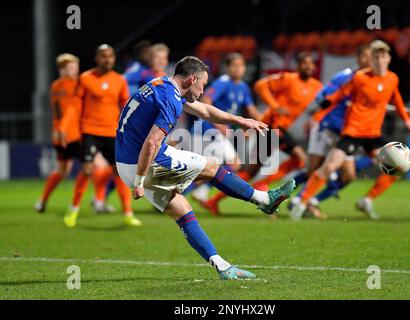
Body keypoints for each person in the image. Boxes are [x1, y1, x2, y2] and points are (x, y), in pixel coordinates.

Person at [115, 56, 296, 280]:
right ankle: (265, 200)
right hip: (143, 161)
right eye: (203, 84)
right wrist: (140, 181)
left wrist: (242, 121)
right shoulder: (171, 99)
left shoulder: (162, 84)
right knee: (211, 166)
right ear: (192, 79)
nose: (203, 89)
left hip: (125, 163)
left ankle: (223, 267)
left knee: (181, 209)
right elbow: (152, 143)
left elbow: (206, 111)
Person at [292, 40, 410, 219]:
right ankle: (301, 202)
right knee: (329, 167)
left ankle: (368, 199)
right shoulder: (360, 78)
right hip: (353, 132)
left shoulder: (392, 78)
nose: (380, 60)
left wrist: (406, 119)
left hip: (373, 134)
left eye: (383, 56)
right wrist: (323, 103)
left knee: (399, 166)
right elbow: (341, 93)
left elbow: (395, 99)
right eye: (376, 57)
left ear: (389, 59)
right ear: (371, 60)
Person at [201, 52, 322, 215]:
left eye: (310, 63)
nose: (308, 66)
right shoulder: (287, 78)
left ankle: (214, 200)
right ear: (298, 65)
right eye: (304, 63)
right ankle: (263, 185)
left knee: (250, 171)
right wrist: (275, 106)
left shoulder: (316, 86)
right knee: (300, 159)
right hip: (272, 126)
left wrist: (315, 118)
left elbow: (324, 103)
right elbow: (260, 86)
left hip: (279, 128)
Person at [64, 44, 141, 228]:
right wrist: (68, 128)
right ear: (97, 58)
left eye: (110, 56)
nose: (107, 60)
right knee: (87, 170)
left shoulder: (119, 80)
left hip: (112, 132)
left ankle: (128, 214)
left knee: (119, 173)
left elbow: (126, 106)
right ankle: (73, 210)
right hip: (90, 131)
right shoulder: (86, 78)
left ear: (114, 59)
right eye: (104, 56)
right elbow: (75, 106)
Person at [188, 53, 262, 204]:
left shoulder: (242, 86)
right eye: (234, 65)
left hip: (218, 133)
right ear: (227, 68)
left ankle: (181, 191)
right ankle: (196, 191)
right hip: (208, 130)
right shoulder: (222, 82)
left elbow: (251, 109)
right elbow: (205, 100)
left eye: (241, 65)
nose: (238, 69)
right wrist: (221, 127)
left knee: (205, 170)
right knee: (233, 164)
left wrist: (264, 123)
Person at [35, 53, 81, 213]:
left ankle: (42, 201)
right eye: (71, 68)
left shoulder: (55, 86)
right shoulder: (73, 85)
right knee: (94, 166)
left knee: (64, 171)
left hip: (60, 133)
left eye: (76, 68)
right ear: (62, 69)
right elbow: (71, 110)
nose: (75, 71)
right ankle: (97, 201)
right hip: (73, 134)